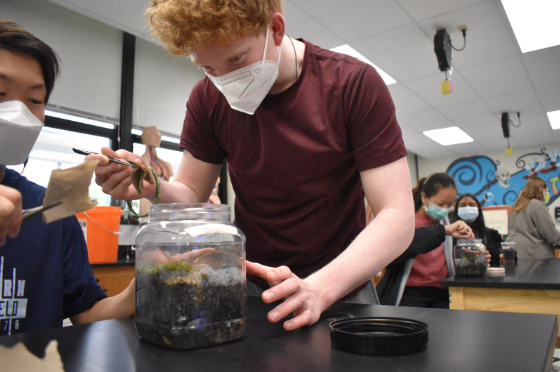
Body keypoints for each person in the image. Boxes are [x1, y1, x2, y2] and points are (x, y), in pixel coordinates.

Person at [89, 0, 414, 331]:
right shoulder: (207, 99)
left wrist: (318, 289)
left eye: (236, 59)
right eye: (208, 68)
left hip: (342, 287)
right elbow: (190, 193)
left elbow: (397, 216)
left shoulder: (351, 84)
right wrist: (150, 186)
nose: (226, 80)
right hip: (253, 289)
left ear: (275, 28)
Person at [0, 20, 135, 336]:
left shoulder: (50, 210)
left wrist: (141, 290)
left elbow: (87, 311)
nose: (17, 112)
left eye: (34, 100)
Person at [398, 173, 459, 308]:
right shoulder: (407, 223)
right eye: (441, 204)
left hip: (443, 291)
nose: (445, 209)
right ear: (424, 197)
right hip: (412, 293)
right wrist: (443, 231)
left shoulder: (447, 222)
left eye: (450, 205)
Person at [507, 177, 560, 258]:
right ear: (539, 190)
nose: (545, 192)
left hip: (516, 254)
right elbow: (550, 233)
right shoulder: (537, 205)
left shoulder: (516, 207)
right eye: (545, 190)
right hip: (536, 256)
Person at [450, 193, 503, 266]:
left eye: (472, 205)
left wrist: (502, 256)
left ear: (478, 209)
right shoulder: (449, 236)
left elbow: (505, 254)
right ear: (456, 210)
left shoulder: (493, 235)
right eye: (463, 205)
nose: (468, 208)